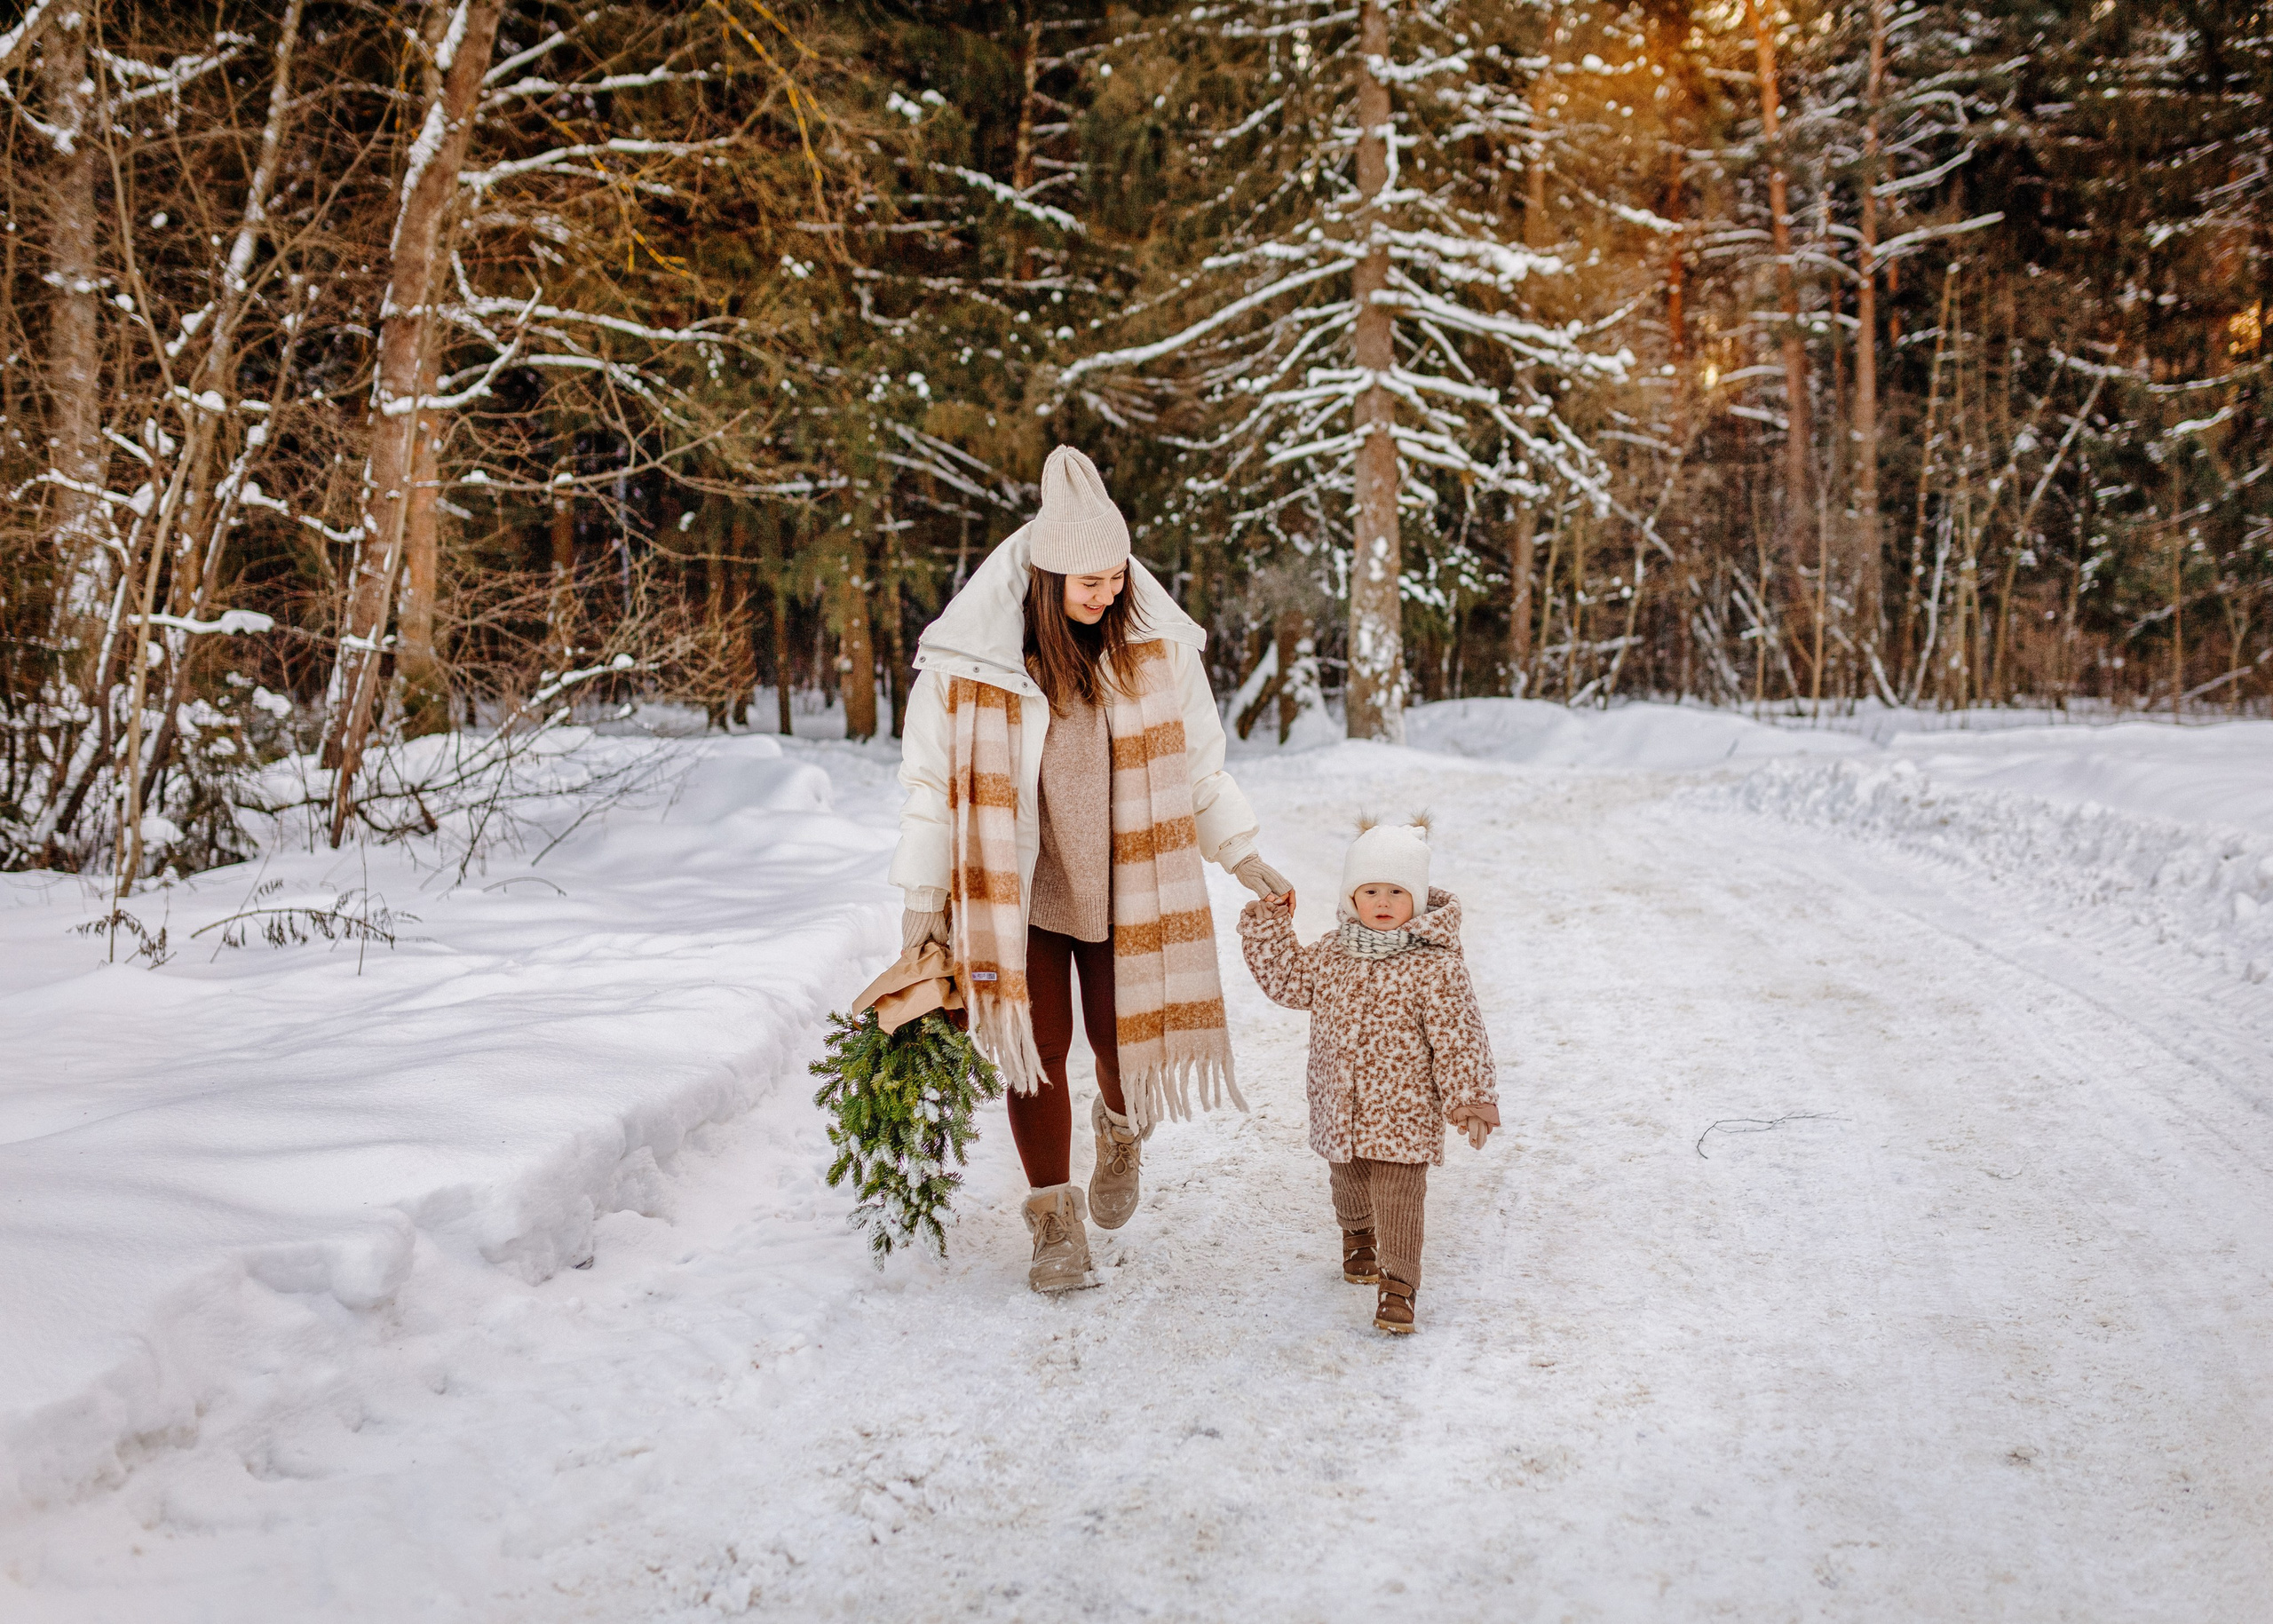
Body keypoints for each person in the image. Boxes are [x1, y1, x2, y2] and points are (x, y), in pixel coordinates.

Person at [891, 446, 1291, 1293]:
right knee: (1036, 1052)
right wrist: (925, 901)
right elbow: (930, 785)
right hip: (1021, 890)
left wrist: (1242, 851)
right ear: (1047, 575)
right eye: (1090, 582)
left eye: (1117, 576)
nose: (1109, 593)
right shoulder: (972, 659)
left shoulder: (1155, 647)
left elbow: (1199, 766)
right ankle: (1053, 1221)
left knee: (1120, 1040)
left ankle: (1119, 1127)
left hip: (1124, 882)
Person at [1237, 818, 1500, 1334]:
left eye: (1397, 891)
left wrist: (1470, 1099)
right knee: (1349, 1178)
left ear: (1416, 898)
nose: (1383, 901)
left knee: (1400, 1197)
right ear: (1352, 896)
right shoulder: (1332, 952)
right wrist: (1269, 926)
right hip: (1340, 1102)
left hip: (1405, 1109)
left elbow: (1459, 1034)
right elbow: (1289, 982)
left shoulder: (1435, 965)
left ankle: (1399, 1285)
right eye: (1371, 890)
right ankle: (1358, 1236)